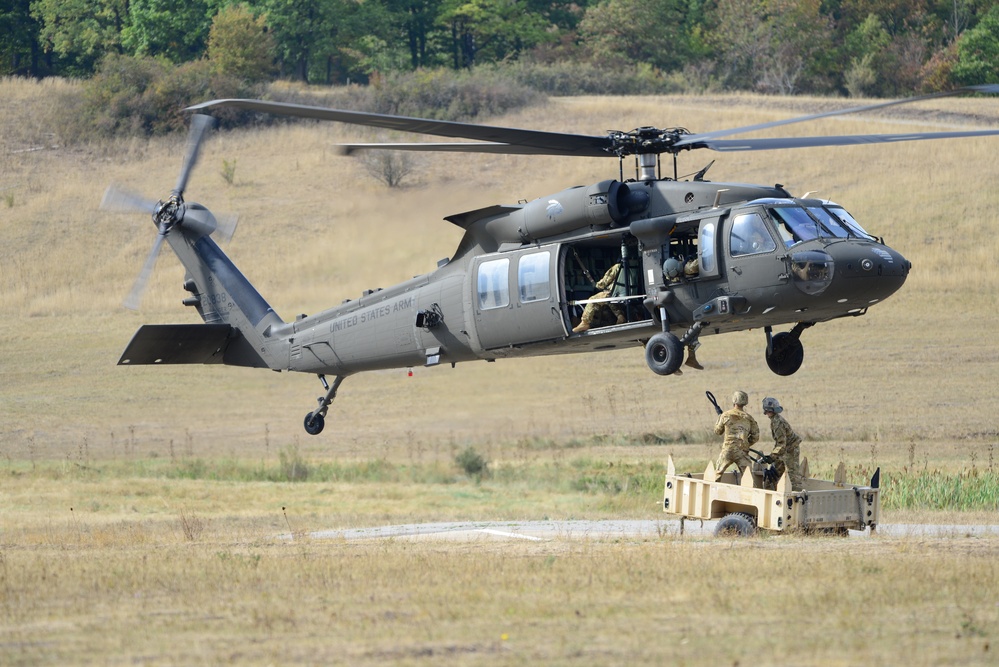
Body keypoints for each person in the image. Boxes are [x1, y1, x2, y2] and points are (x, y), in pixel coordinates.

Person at [713, 390, 759, 480]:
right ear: (745, 402)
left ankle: (713, 492)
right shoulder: (749, 418)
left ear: (734, 400)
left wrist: (720, 417)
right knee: (748, 479)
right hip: (742, 451)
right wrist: (745, 444)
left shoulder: (725, 415)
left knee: (717, 475)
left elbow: (718, 431)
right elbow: (755, 436)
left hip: (727, 451)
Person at [762, 397, 805, 491]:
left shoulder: (777, 423)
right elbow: (779, 443)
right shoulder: (774, 420)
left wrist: (772, 456)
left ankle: (797, 496)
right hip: (783, 449)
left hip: (791, 449)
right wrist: (773, 456)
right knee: (774, 472)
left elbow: (781, 443)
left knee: (792, 474)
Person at [572, 263, 625, 333]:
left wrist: (597, 285)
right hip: (626, 293)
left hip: (614, 293)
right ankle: (620, 316)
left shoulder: (618, 266)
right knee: (608, 299)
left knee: (592, 300)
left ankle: (585, 322)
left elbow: (604, 282)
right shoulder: (634, 264)